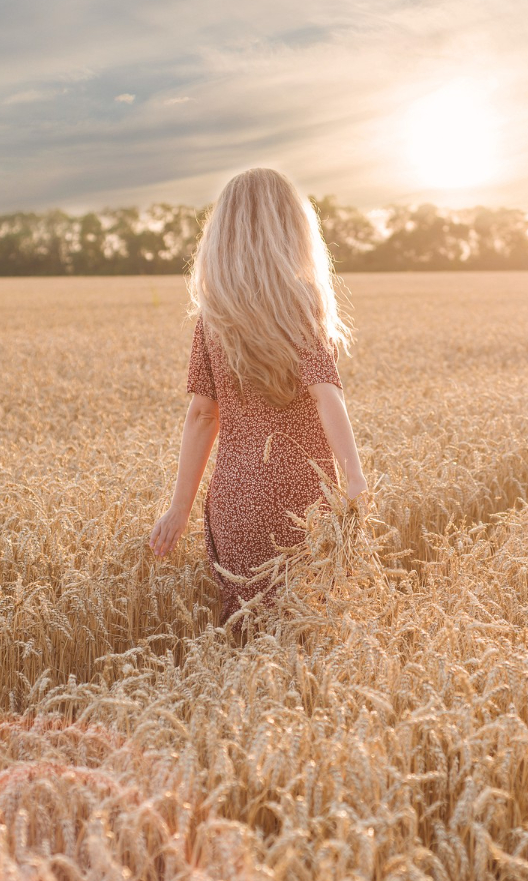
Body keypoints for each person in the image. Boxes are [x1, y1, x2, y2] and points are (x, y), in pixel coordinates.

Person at [148, 168, 367, 622]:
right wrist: (354, 481)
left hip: (235, 505)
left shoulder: (214, 316)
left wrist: (178, 511)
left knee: (246, 632)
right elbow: (328, 396)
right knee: (311, 630)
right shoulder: (301, 305)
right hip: (304, 502)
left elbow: (202, 416)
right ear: (291, 228)